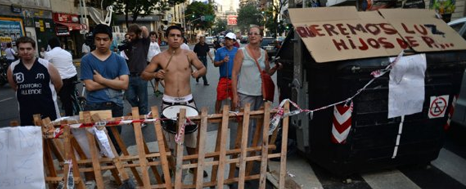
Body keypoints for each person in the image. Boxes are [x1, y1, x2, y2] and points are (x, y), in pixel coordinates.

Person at [141, 25, 206, 175]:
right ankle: (170, 167)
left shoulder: (189, 55)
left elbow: (203, 68)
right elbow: (144, 74)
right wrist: (155, 75)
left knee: (190, 136)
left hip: (187, 101)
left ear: (182, 39)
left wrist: (198, 73)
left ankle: (194, 165)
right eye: (172, 35)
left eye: (178, 36)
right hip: (169, 100)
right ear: (166, 38)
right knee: (168, 137)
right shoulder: (160, 57)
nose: (175, 38)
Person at [80, 24, 129, 154]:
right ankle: (99, 173)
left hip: (115, 105)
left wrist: (101, 80)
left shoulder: (119, 60)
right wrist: (114, 81)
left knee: (115, 143)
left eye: (105, 39)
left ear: (111, 40)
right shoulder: (86, 60)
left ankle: (116, 172)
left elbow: (124, 84)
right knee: (94, 145)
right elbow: (90, 86)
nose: (101, 42)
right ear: (94, 40)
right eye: (98, 39)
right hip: (94, 106)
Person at [231, 26, 281, 144]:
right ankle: (244, 153)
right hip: (245, 94)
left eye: (255, 34)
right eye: (250, 33)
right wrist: (235, 95)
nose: (252, 35)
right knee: (246, 124)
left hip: (261, 94)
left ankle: (256, 154)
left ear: (260, 37)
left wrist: (276, 67)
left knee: (259, 124)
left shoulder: (264, 54)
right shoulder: (241, 52)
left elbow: (267, 73)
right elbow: (234, 74)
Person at [7, 36, 62, 125]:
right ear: (17, 50)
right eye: (22, 49)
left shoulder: (46, 65)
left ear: (34, 49)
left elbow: (59, 84)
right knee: (30, 138)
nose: (25, 52)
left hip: (48, 111)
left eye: (28, 48)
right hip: (26, 113)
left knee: (52, 136)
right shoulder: (12, 67)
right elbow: (15, 87)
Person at [44, 37, 78, 116]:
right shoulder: (67, 52)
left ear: (50, 45)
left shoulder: (49, 54)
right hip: (73, 75)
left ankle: (69, 116)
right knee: (70, 92)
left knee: (65, 99)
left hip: (62, 79)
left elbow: (45, 66)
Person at [125, 24, 150, 125]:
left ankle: (143, 119)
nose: (130, 37)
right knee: (130, 97)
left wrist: (139, 30)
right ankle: (139, 113)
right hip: (129, 75)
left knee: (143, 100)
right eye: (128, 35)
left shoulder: (144, 42)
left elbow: (144, 29)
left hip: (141, 75)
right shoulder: (129, 44)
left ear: (137, 34)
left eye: (132, 35)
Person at [213, 32, 238, 113]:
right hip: (224, 78)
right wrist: (223, 61)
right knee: (219, 97)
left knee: (234, 97)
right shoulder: (220, 51)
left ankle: (232, 113)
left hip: (235, 79)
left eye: (230, 39)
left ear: (234, 42)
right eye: (226, 39)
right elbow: (215, 64)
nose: (227, 41)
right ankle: (217, 113)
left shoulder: (238, 51)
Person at [147, 31, 163, 96]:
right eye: (151, 37)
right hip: (149, 62)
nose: (153, 38)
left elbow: (159, 52)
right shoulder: (148, 44)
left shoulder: (156, 44)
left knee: (158, 77)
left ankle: (156, 89)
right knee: (148, 77)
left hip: (157, 62)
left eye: (154, 37)